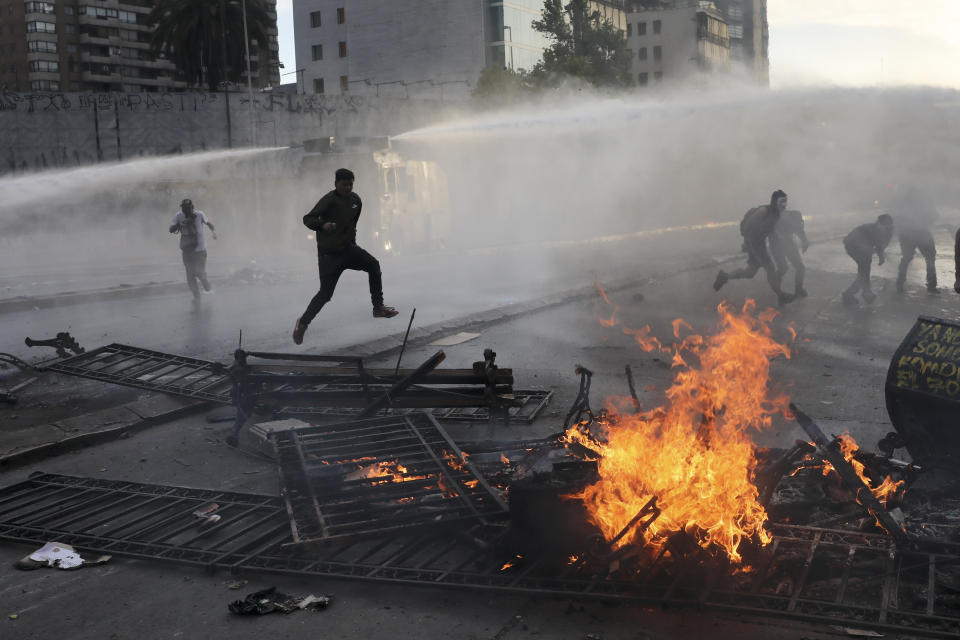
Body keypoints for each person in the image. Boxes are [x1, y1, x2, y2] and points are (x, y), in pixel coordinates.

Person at [293, 168, 398, 345]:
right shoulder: (329, 200)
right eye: (344, 185)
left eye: (350, 184)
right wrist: (323, 224)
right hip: (329, 255)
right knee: (325, 294)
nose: (347, 188)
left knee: (373, 265)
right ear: (336, 184)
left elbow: (352, 225)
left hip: (348, 250)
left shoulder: (356, 201)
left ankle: (378, 307)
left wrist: (352, 244)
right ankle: (302, 323)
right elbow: (307, 219)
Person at [713, 189, 795, 305]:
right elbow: (747, 227)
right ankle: (781, 296)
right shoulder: (763, 211)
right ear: (774, 202)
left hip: (758, 243)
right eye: (782, 202)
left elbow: (770, 230)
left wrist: (780, 243)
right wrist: (747, 244)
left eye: (785, 202)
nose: (784, 205)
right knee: (770, 268)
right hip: (754, 243)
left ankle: (724, 276)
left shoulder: (776, 214)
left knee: (750, 272)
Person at [892, 187, 939, 293]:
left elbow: (897, 220)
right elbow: (935, 216)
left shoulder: (902, 204)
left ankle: (900, 282)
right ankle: (931, 285)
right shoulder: (925, 203)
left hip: (908, 234)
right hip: (920, 233)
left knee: (907, 258)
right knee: (930, 259)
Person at [841, 214, 894, 305]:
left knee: (864, 271)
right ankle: (851, 294)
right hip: (853, 247)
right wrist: (879, 256)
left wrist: (880, 256)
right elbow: (849, 240)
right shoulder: (870, 229)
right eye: (884, 224)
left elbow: (879, 245)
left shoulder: (884, 230)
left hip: (863, 249)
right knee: (864, 271)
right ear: (879, 222)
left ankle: (865, 293)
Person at [169, 198, 215, 301]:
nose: (186, 210)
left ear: (192, 207)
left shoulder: (199, 214)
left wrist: (213, 232)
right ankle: (197, 297)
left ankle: (209, 289)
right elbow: (171, 229)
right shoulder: (179, 216)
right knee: (190, 276)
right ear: (182, 208)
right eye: (184, 208)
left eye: (188, 208)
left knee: (199, 273)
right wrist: (180, 224)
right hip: (187, 251)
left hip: (200, 251)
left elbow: (209, 223)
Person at [770, 208, 810, 298]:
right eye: (795, 224)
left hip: (788, 241)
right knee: (783, 267)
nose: (797, 226)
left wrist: (805, 241)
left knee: (800, 267)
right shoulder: (778, 220)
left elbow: (800, 230)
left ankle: (799, 290)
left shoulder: (796, 219)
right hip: (776, 243)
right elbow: (772, 233)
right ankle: (778, 292)